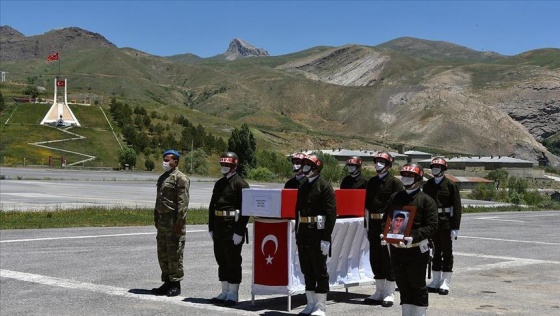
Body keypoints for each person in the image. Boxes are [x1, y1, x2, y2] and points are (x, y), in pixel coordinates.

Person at [384, 163, 438, 316]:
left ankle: (419, 313)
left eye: (410, 176)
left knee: (417, 285)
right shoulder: (395, 197)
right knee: (402, 284)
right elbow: (386, 218)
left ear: (419, 179)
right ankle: (406, 313)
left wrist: (413, 237)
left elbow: (432, 226)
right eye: (404, 175)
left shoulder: (426, 200)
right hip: (397, 249)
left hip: (416, 249)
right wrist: (385, 231)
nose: (406, 178)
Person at [295, 154, 337, 316]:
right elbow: (297, 212)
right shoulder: (303, 186)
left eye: (307, 165)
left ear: (316, 168)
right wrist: (297, 233)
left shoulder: (324, 187)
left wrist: (326, 237)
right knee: (307, 269)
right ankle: (310, 302)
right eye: (303, 165)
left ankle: (320, 306)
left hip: (318, 234)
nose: (304, 168)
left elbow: (331, 214)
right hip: (304, 232)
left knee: (319, 269)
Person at [208, 152, 250, 306]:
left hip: (232, 227)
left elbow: (245, 210)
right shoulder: (219, 183)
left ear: (234, 166)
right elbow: (212, 206)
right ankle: (224, 291)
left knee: (232, 260)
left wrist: (240, 231)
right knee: (221, 258)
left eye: (227, 165)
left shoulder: (241, 184)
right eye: (222, 165)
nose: (224, 167)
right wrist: (211, 226)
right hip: (219, 226)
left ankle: (233, 293)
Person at [363, 151, 404, 307]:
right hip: (373, 223)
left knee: (388, 259)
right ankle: (379, 291)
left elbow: (399, 209)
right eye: (377, 161)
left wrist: (395, 230)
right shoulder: (371, 182)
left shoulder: (395, 183)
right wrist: (366, 225)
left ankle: (389, 293)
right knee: (375, 258)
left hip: (387, 223)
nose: (378, 164)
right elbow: (366, 206)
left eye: (382, 161)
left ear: (388, 165)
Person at [151, 149, 190, 297]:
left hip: (174, 222)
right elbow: (158, 200)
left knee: (174, 253)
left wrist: (179, 223)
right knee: (163, 253)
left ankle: (176, 283)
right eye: (164, 159)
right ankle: (166, 281)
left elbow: (183, 203)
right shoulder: (163, 178)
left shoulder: (181, 178)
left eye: (168, 160)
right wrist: (156, 217)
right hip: (162, 222)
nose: (165, 162)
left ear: (176, 161)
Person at [423, 157, 462, 295]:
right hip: (432, 222)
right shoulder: (427, 185)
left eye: (438, 167)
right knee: (435, 252)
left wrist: (455, 227)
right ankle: (436, 280)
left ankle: (446, 281)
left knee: (447, 251)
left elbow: (457, 207)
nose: (435, 169)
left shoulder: (451, 185)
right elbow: (424, 206)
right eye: (433, 166)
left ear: (443, 169)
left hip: (446, 222)